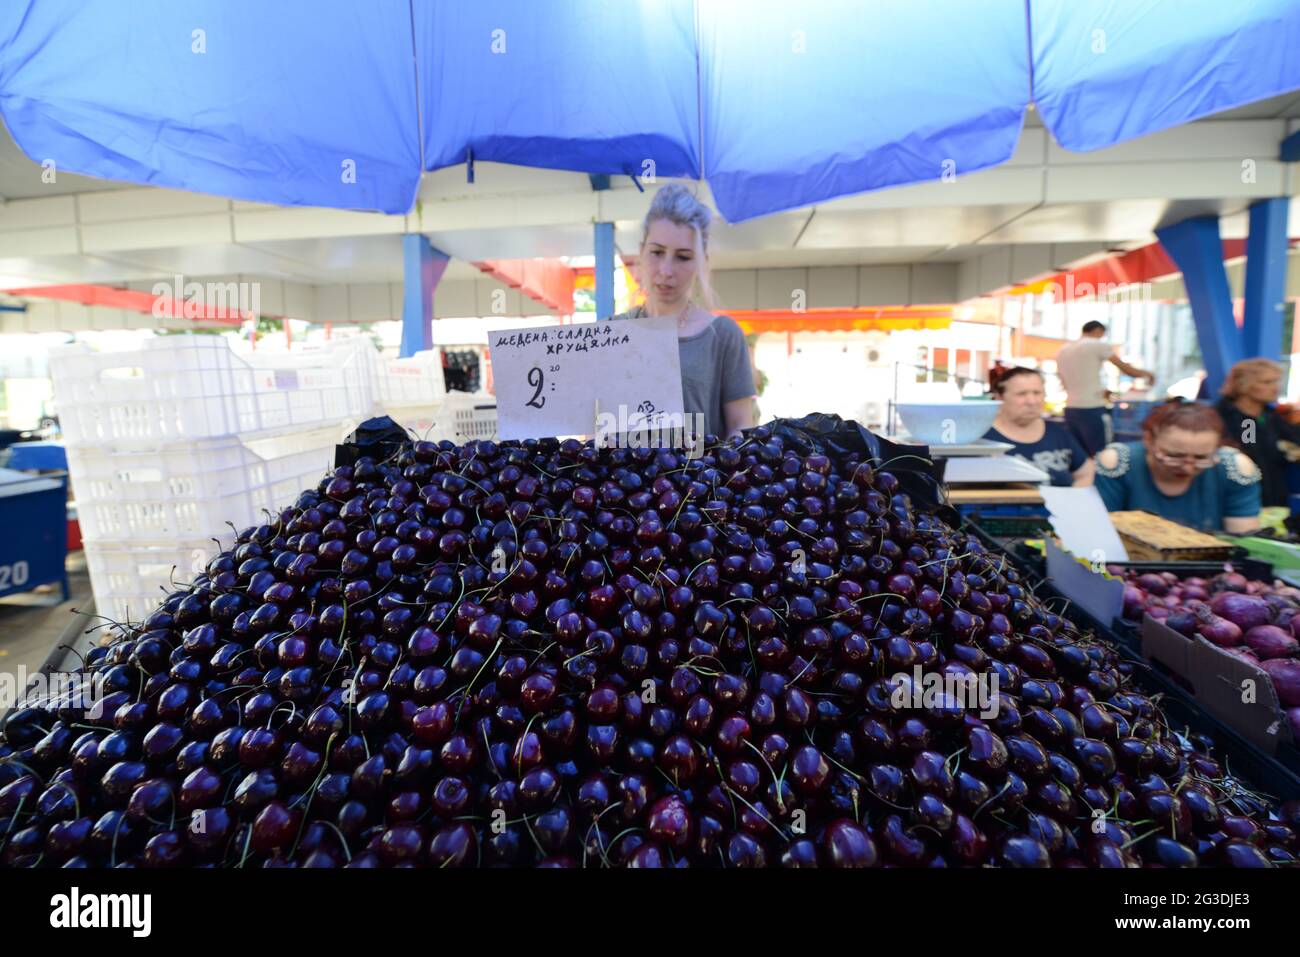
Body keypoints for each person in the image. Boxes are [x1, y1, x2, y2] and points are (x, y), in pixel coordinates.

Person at [612, 185, 756, 440]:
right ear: (641, 251)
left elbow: (741, 426)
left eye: (683, 257)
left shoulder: (723, 335)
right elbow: (594, 425)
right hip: (628, 480)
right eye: (657, 252)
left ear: (702, 262)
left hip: (701, 479)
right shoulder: (612, 333)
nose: (666, 270)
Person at [1094, 401, 1261, 533]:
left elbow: (1244, 541)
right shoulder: (1118, 463)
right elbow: (1100, 535)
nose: (1187, 468)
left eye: (1201, 458)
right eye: (1174, 456)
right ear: (1149, 440)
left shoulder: (1235, 469)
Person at [1056, 321, 1155, 457]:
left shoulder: (1063, 350)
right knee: (1099, 455)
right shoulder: (1097, 345)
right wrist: (1148, 374)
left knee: (1077, 456)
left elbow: (1069, 380)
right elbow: (1126, 370)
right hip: (1092, 408)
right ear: (1098, 331)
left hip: (1071, 408)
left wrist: (1101, 391)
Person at [983, 367, 1093, 486]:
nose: (1032, 401)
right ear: (999, 398)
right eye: (1021, 394)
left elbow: (1086, 473)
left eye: (1037, 393)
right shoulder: (982, 437)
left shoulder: (1058, 432)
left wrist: (1073, 498)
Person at [1215, 358, 1300, 507]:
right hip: (1246, 500)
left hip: (1275, 497)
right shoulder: (1240, 419)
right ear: (1243, 385)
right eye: (1267, 382)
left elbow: (1293, 439)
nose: (1276, 387)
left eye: (1276, 381)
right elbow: (1253, 453)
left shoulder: (1269, 415)